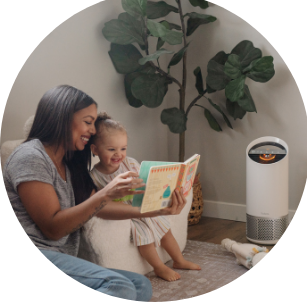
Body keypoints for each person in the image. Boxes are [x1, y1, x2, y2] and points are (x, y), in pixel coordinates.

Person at [4, 85, 187, 301]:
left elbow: (99, 207)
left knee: (140, 286)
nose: (92, 131)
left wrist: (155, 210)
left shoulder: (71, 161)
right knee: (119, 287)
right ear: (62, 117)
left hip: (62, 257)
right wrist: (107, 192)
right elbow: (53, 229)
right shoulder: (31, 157)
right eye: (88, 122)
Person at [89, 112, 201, 282]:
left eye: (123, 149)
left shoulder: (130, 164)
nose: (118, 154)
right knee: (144, 238)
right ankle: (159, 267)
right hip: (127, 214)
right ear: (95, 149)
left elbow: (147, 182)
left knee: (165, 229)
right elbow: (101, 203)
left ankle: (179, 260)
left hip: (144, 205)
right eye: (111, 149)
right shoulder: (95, 176)